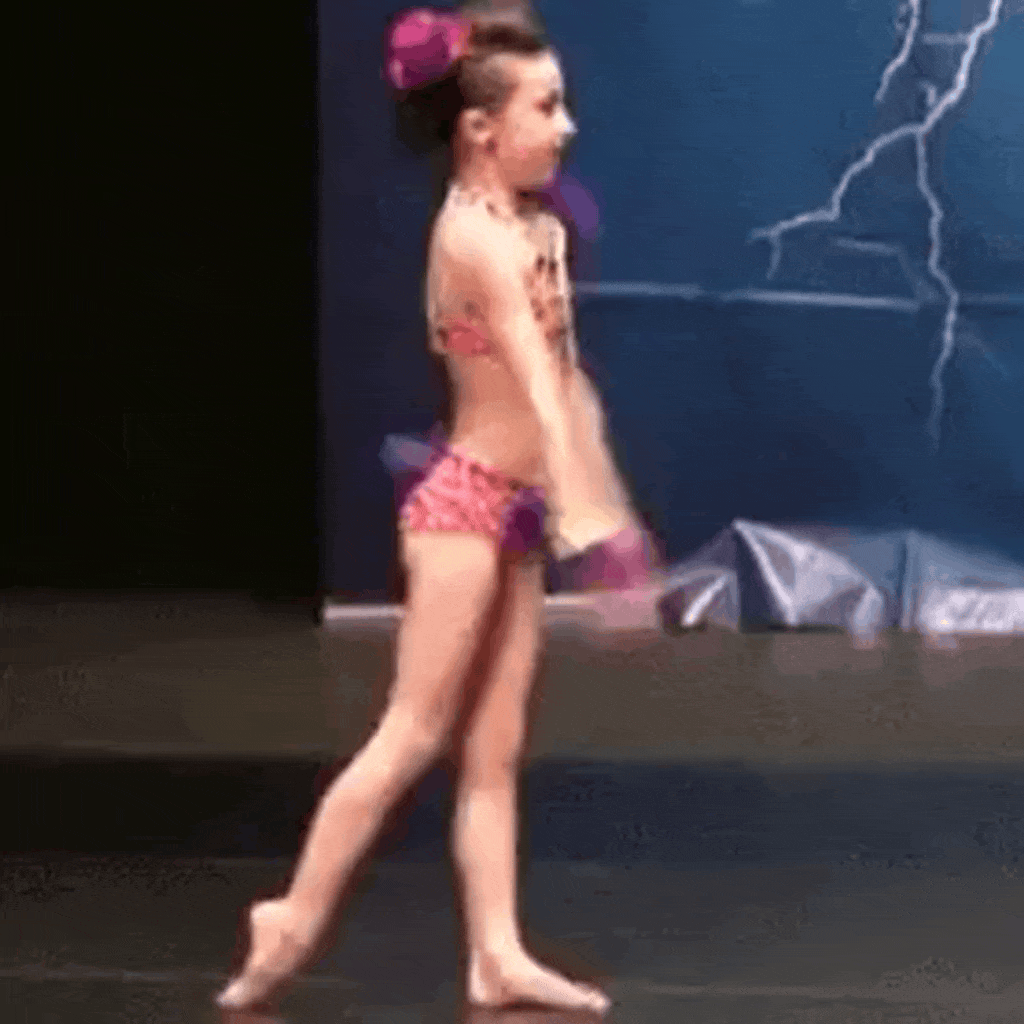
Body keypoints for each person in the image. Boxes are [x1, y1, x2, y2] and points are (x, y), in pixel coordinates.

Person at [216, 2, 658, 1014]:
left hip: (517, 511)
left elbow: (568, 384)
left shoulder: (535, 230)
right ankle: (291, 914)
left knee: (494, 753)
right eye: (546, 106)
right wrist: (597, 529)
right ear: (480, 130)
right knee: (412, 732)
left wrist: (597, 508)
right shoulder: (471, 239)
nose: (566, 125)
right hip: (462, 512)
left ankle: (494, 952)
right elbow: (535, 384)